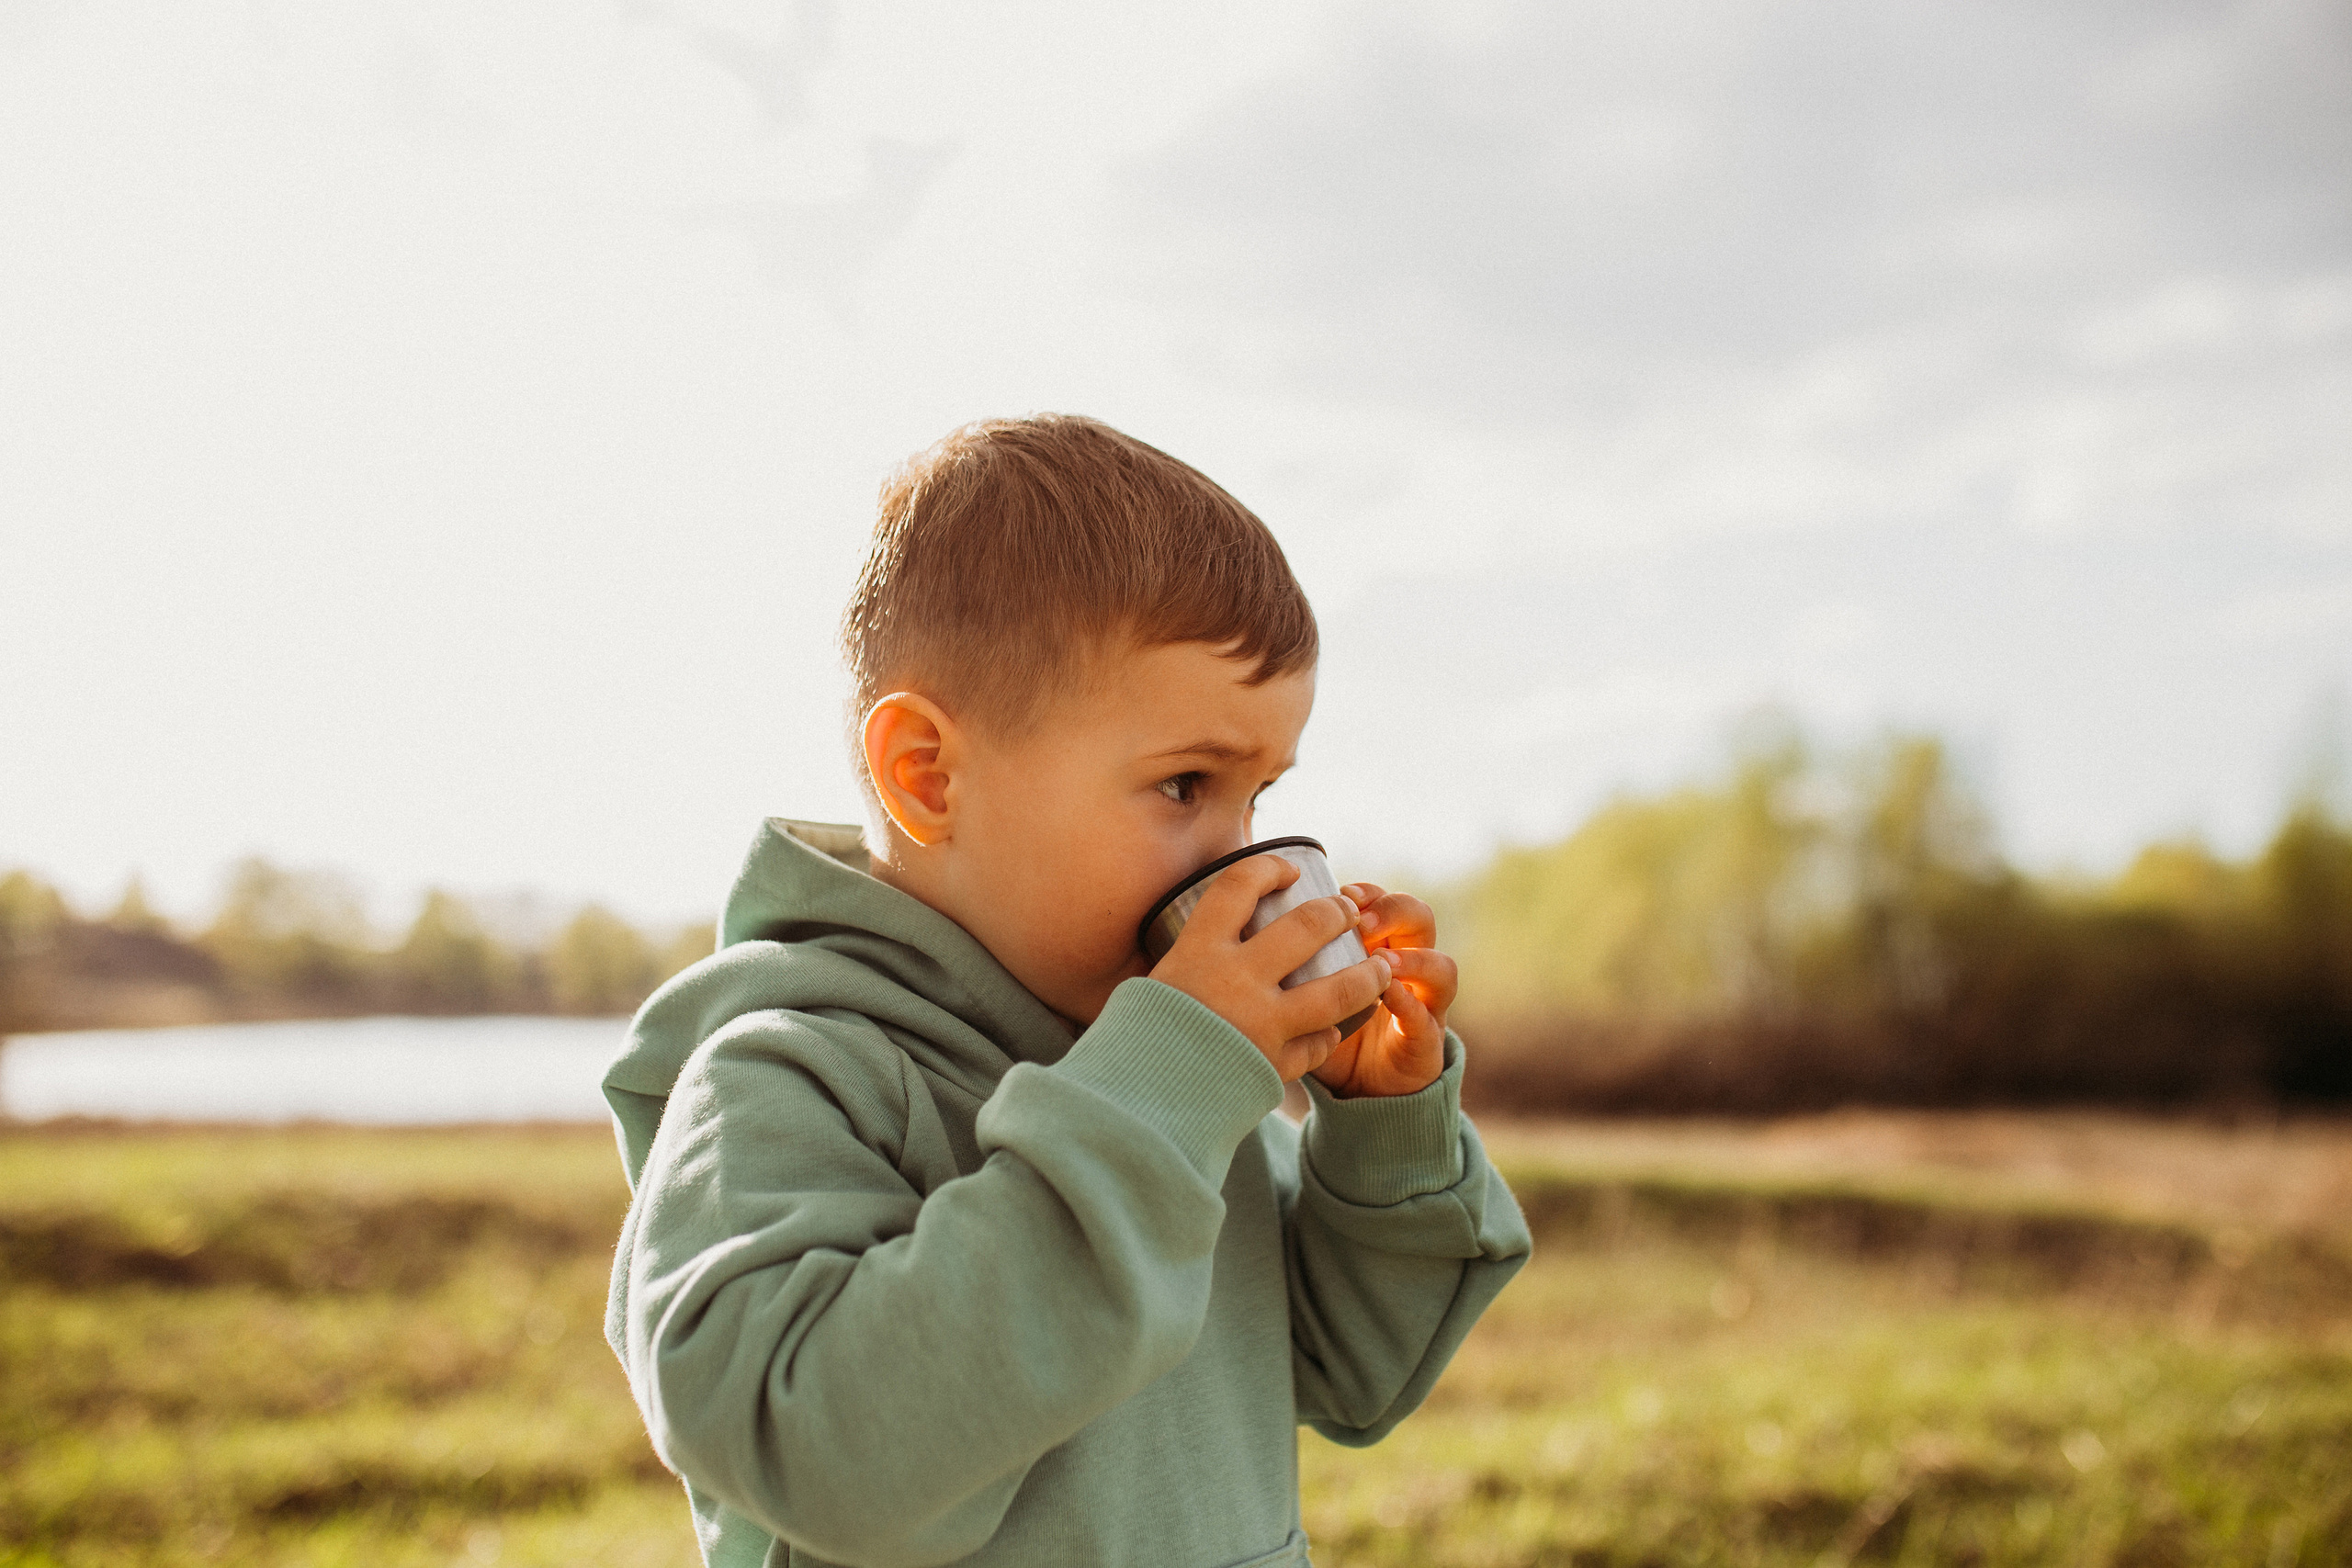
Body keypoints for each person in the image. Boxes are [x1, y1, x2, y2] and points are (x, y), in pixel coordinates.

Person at [602, 414, 1532, 1568]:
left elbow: (1353, 1375)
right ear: (927, 776)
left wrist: (1383, 1137)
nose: (1243, 859)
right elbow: (826, 1460)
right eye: (1184, 784)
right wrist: (1164, 1089)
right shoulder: (786, 1081)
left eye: (1258, 796)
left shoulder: (1171, 1081)